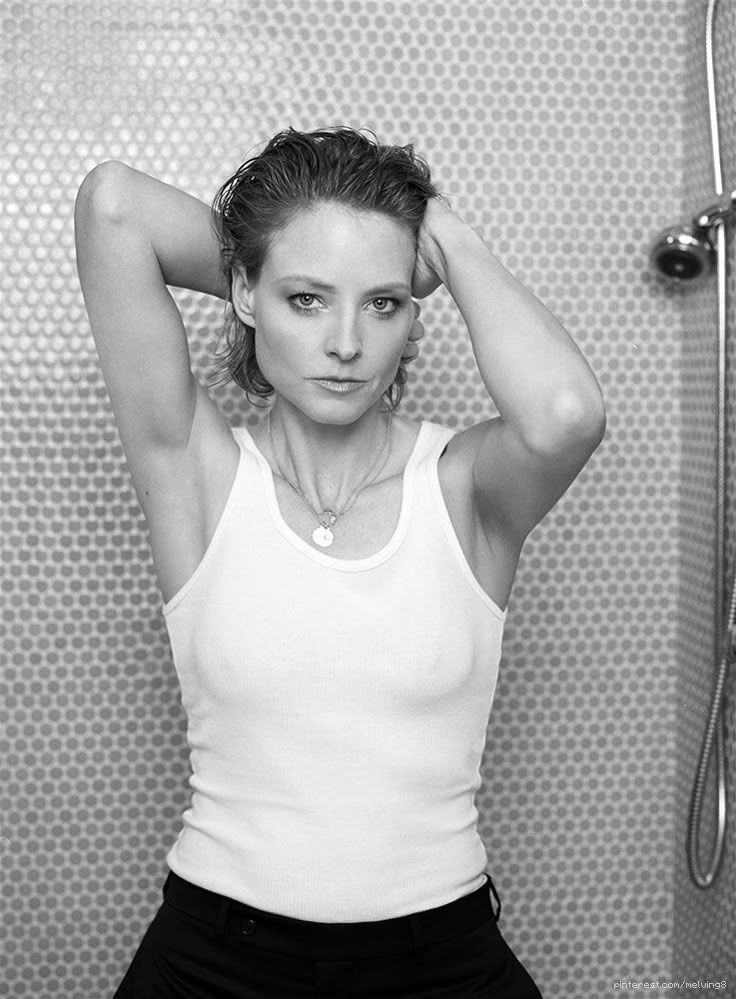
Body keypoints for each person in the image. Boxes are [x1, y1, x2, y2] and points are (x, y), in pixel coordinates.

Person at [74, 126, 605, 999]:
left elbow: (565, 413)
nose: (348, 342)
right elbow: (114, 208)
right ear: (245, 293)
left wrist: (451, 242)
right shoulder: (198, 476)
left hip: (442, 959)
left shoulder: (467, 486)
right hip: (215, 960)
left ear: (414, 309)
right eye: (308, 300)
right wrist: (280, 256)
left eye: (384, 303)